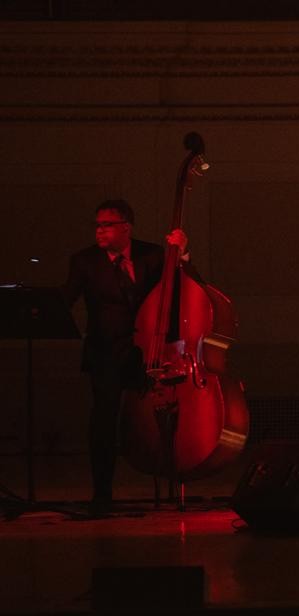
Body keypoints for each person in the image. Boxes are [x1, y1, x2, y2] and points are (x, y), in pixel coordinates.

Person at [61, 199, 190, 509]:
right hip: (105, 353)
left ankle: (172, 483)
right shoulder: (84, 261)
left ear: (126, 228)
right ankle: (102, 493)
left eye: (107, 224)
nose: (100, 230)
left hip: (150, 351)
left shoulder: (152, 255)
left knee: (164, 418)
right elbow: (66, 298)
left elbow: (182, 288)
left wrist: (180, 254)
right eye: (98, 225)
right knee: (103, 421)